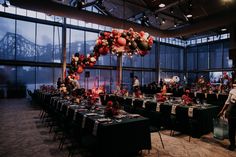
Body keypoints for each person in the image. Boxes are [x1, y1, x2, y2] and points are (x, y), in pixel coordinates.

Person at [218, 83, 236, 151]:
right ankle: (232, 144)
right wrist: (222, 111)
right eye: (234, 85)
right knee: (231, 129)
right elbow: (227, 102)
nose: (234, 86)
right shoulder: (232, 91)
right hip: (232, 113)